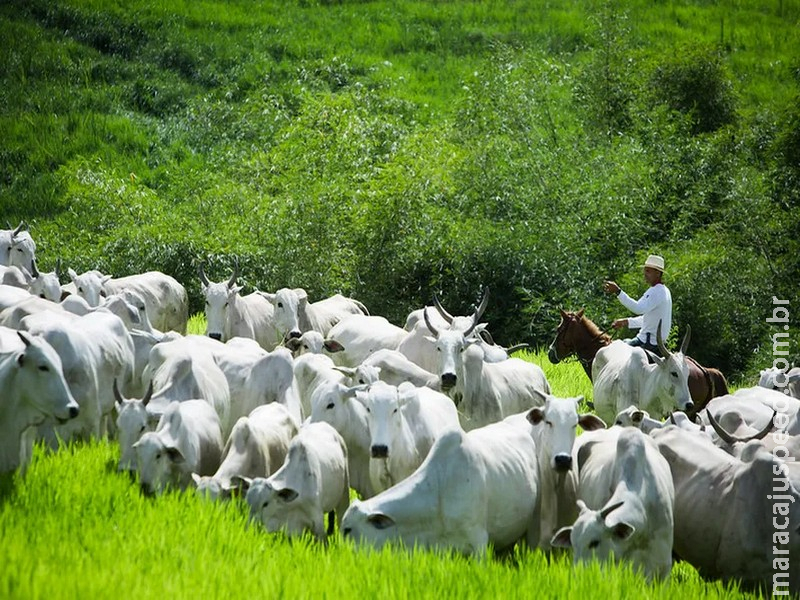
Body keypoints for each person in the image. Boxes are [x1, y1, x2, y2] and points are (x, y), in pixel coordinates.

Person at [603, 254, 672, 356]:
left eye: (648, 271)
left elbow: (638, 308)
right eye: (645, 270)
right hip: (654, 342)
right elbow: (650, 319)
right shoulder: (663, 290)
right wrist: (626, 322)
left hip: (647, 343)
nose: (644, 273)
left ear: (658, 273)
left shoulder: (656, 291)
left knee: (614, 353)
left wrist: (618, 292)